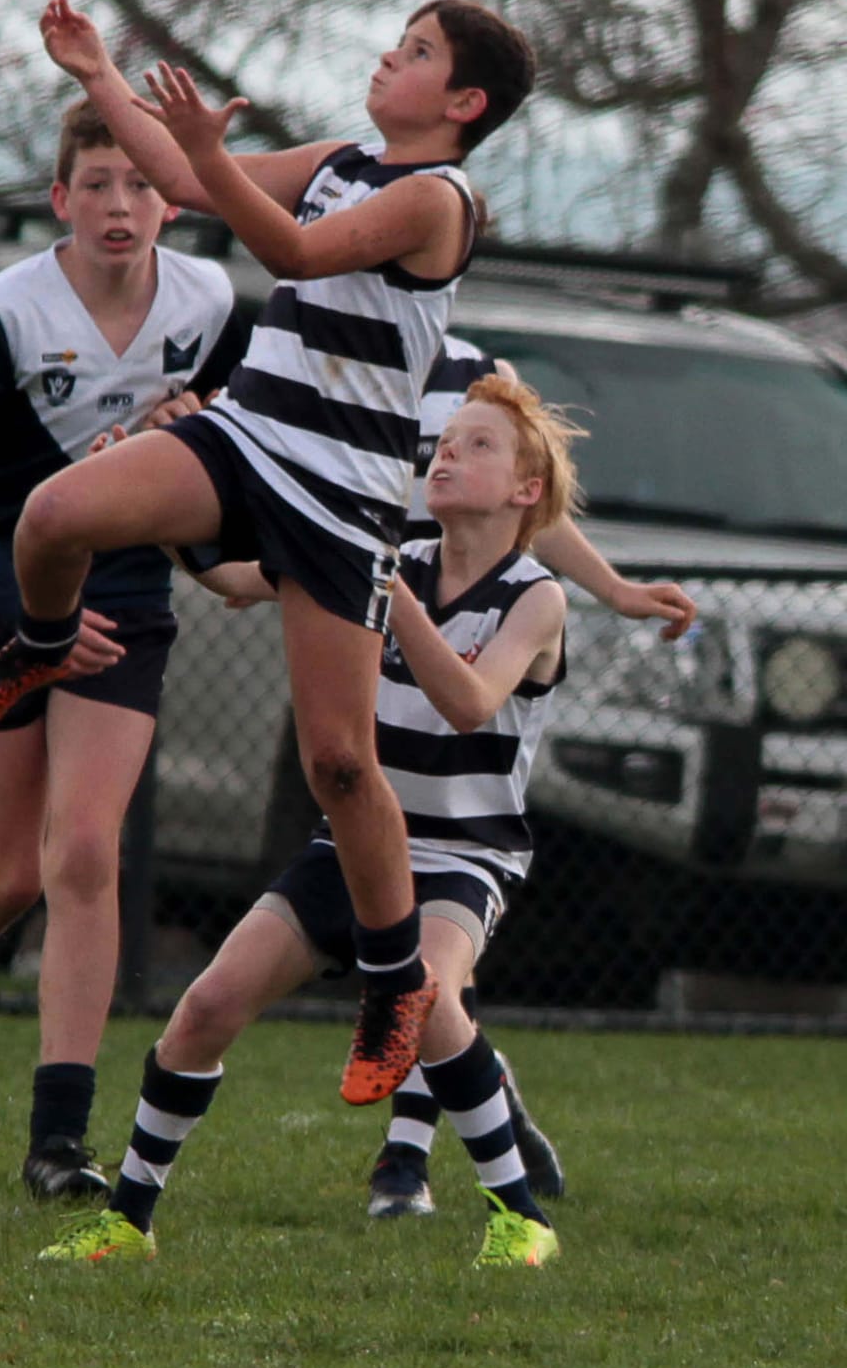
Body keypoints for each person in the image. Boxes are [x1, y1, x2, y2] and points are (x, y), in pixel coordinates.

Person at [0, 0, 535, 1107]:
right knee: (49, 518)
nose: (387, 52)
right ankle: (35, 645)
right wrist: (96, 77)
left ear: (462, 103)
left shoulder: (435, 197)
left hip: (341, 492)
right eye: (396, 35)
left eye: (415, 51)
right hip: (246, 436)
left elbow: (294, 251)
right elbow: (176, 175)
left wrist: (210, 158)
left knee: (337, 762)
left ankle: (393, 980)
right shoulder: (341, 155)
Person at [41, 372, 577, 1273]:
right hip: (353, 845)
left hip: (457, 858)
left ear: (526, 490)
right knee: (205, 1006)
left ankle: (520, 1218)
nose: (447, 450)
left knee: (432, 998)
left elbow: (472, 703)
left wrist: (383, 583)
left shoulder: (535, 595)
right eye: (445, 439)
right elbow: (234, 577)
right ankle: (127, 1222)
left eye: (478, 444)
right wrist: (142, 499)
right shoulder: (392, 553)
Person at [0, 96, 242, 1199]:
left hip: (123, 587)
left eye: (138, 184)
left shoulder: (212, 301)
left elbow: (239, 440)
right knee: (3, 870)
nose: (118, 205)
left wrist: (206, 439)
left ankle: (56, 1143)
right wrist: (22, 615)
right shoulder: (7, 309)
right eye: (96, 185)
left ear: (171, 201)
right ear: (60, 201)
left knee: (82, 851)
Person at [359, 332, 697, 1216]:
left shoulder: (474, 372)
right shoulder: (319, 351)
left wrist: (615, 589)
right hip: (380, 805)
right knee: (419, 990)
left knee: (427, 978)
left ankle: (407, 1163)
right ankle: (484, 1088)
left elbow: (525, 501)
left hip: (469, 827)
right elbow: (280, 538)